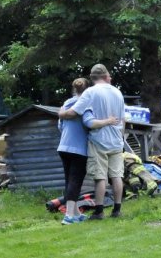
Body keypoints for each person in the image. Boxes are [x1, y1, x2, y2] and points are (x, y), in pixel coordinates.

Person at [59, 64, 125, 220]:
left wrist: (61, 113)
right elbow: (123, 119)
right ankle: (117, 209)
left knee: (100, 177)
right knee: (117, 175)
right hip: (116, 140)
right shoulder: (118, 92)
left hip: (99, 140)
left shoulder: (90, 92)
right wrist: (121, 137)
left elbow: (73, 112)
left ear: (92, 77)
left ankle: (99, 211)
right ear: (106, 75)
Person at [56, 78, 92, 225]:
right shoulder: (86, 103)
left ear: (74, 89)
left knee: (69, 180)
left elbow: (60, 126)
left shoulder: (66, 103)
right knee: (76, 181)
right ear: (87, 89)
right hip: (79, 148)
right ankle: (69, 216)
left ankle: (76, 213)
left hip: (63, 146)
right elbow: (89, 123)